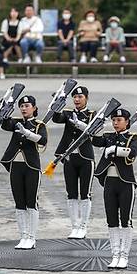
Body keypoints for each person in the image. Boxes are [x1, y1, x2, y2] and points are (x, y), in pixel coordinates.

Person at [92, 108, 137, 269]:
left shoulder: (133, 137)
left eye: (119, 120)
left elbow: (132, 152)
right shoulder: (108, 137)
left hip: (125, 183)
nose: (115, 123)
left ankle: (124, 255)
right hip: (110, 183)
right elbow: (95, 141)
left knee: (125, 220)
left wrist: (115, 150)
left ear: (127, 122)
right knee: (111, 220)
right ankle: (115, 254)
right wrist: (97, 124)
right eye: (113, 120)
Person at [0, 95, 48, 250]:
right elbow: (5, 124)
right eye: (21, 106)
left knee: (31, 202)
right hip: (16, 165)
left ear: (34, 108)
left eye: (27, 106)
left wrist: (27, 133)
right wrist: (5, 107)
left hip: (31, 167)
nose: (24, 108)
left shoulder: (39, 124)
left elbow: (42, 140)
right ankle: (23, 235)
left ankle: (32, 237)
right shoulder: (16, 122)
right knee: (19, 203)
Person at [51, 86, 95, 239]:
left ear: (86, 98)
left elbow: (93, 131)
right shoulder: (68, 113)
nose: (77, 100)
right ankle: (74, 226)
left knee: (85, 194)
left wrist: (80, 125)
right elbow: (56, 118)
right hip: (69, 157)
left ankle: (83, 226)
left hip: (85, 158)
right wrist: (57, 103)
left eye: (80, 97)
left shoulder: (93, 114)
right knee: (71, 194)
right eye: (75, 97)